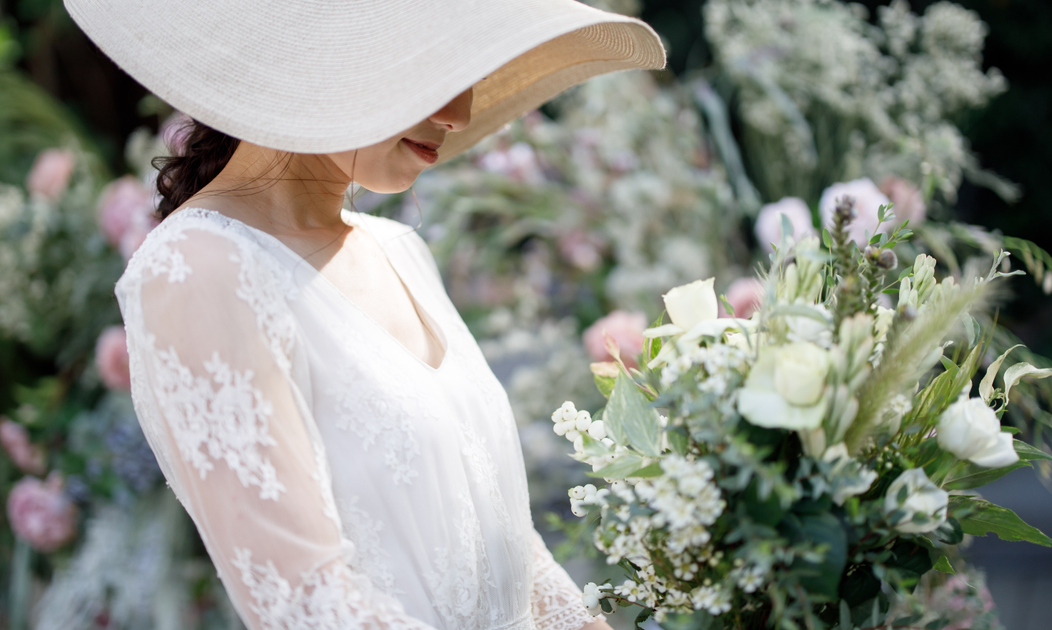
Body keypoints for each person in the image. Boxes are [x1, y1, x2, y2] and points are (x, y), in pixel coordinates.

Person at [66, 0, 664, 627]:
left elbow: (505, 540)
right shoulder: (199, 270)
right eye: (431, 64)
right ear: (319, 55)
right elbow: (304, 599)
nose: (459, 113)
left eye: (466, 67)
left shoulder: (399, 250)